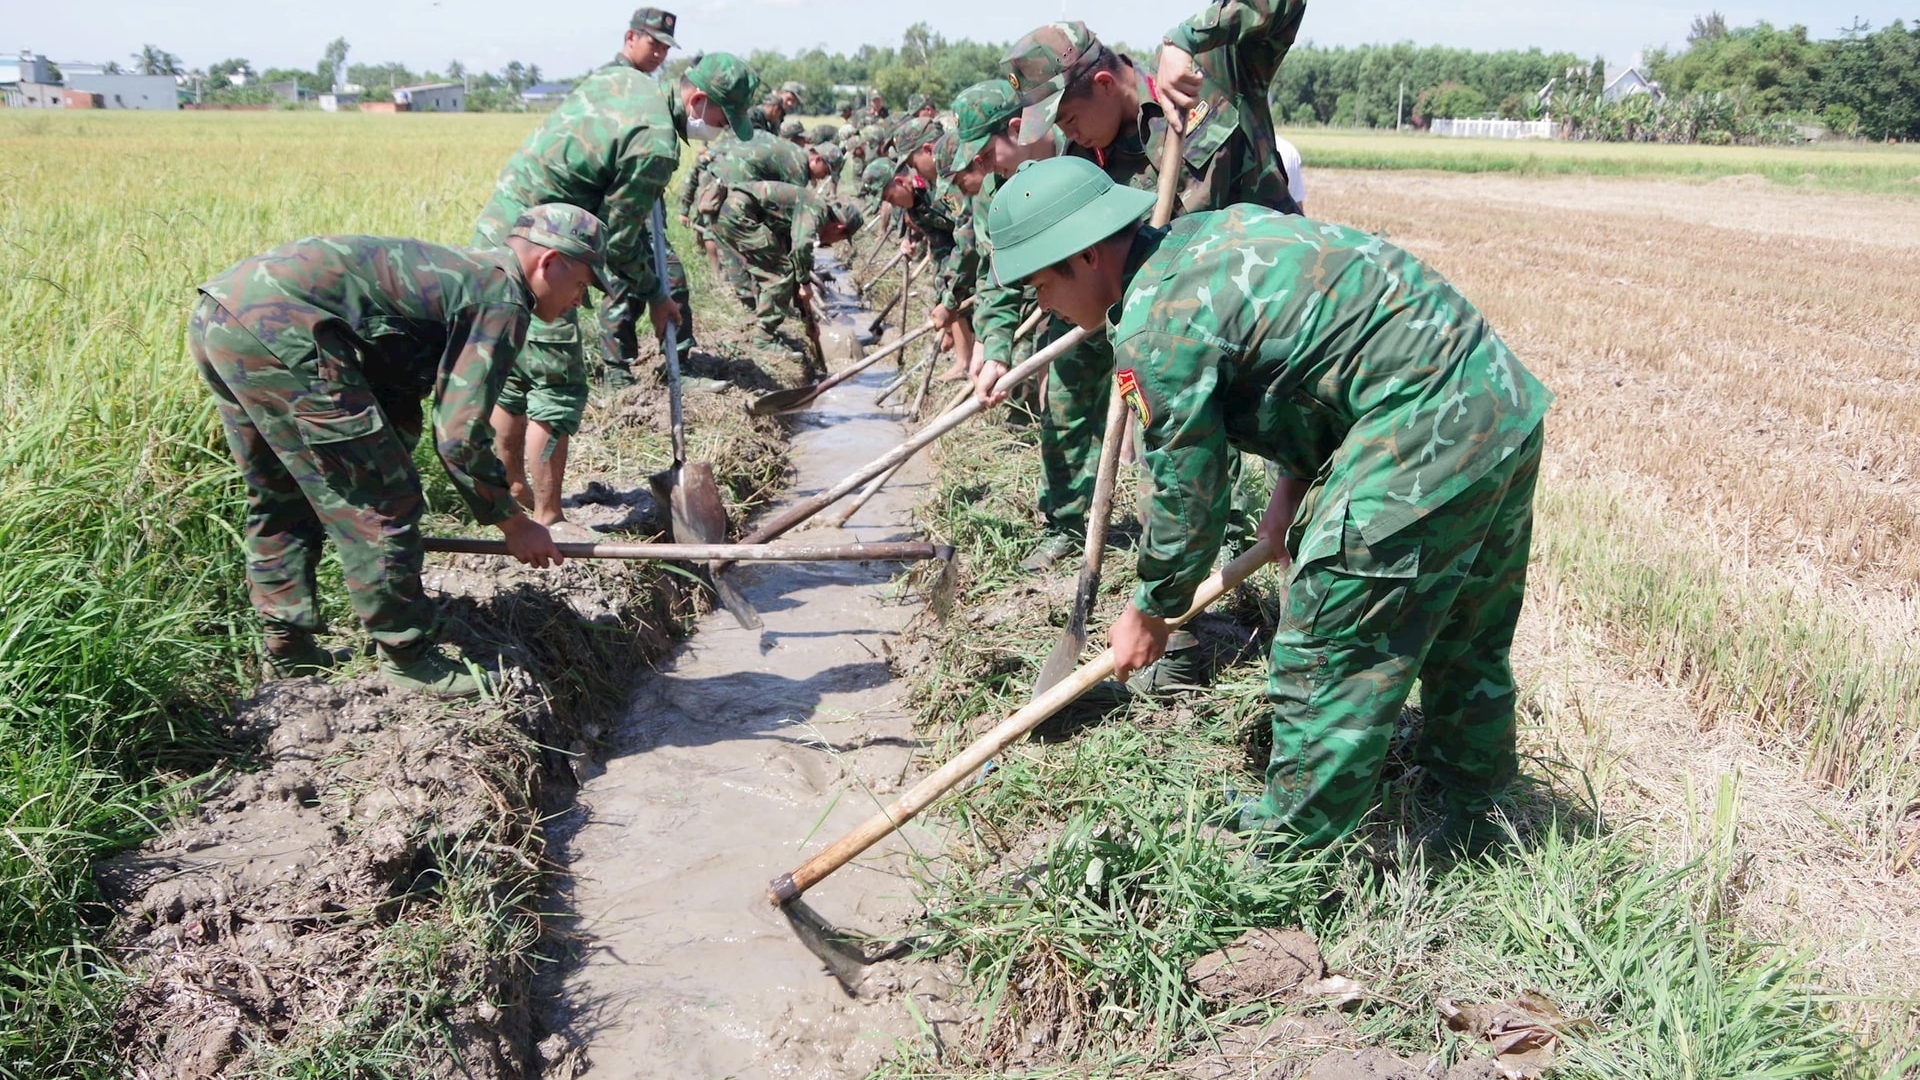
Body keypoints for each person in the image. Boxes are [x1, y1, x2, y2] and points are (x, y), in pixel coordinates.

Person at [986, 156, 1553, 850]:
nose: (1044, 306)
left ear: (1089, 255)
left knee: (1322, 636)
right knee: (1468, 633)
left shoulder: (1153, 333)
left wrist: (1152, 608)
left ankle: (1293, 851)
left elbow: (1188, 497)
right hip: (1499, 402)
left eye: (1042, 285)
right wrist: (1289, 493)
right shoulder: (1207, 236)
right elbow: (1309, 355)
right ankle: (1477, 816)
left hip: (1422, 426)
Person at [986, 3, 1307, 685]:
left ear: (1104, 84)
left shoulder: (1213, 75)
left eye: (1068, 115)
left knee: (1228, 464)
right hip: (1162, 324)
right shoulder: (1086, 154)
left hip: (1260, 313)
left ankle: (1239, 627)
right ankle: (1174, 622)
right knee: (1165, 452)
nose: (1064, 135)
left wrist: (1186, 37)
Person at [190, 205, 608, 698]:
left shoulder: (468, 275)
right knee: (384, 500)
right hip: (287, 327)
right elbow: (458, 433)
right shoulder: (503, 296)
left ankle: (288, 646)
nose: (579, 301)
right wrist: (512, 522)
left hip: (224, 312)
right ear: (550, 262)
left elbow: (395, 383)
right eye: (581, 284)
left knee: (281, 489)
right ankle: (408, 656)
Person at [474, 53, 758, 529]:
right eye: (723, 118)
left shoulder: (629, 81)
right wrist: (654, 294)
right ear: (699, 99)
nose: (723, 130)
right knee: (556, 380)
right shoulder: (656, 145)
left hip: (501, 231)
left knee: (516, 374)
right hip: (544, 251)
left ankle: (516, 489)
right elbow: (622, 239)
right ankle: (547, 518)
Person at [602, 6, 693, 390]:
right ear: (631, 38)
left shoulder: (648, 88)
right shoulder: (611, 84)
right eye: (653, 44)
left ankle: (677, 361)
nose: (658, 54)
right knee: (620, 286)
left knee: (671, 276)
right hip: (615, 204)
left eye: (665, 49)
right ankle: (617, 371)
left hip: (644, 206)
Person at [710, 182, 865, 361]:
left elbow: (792, 256)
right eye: (840, 239)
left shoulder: (809, 211)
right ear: (839, 228)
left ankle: (766, 329)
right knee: (780, 273)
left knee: (779, 267)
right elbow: (800, 249)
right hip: (737, 213)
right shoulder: (817, 209)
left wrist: (806, 316)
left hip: (732, 212)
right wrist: (805, 283)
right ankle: (764, 339)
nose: (832, 244)